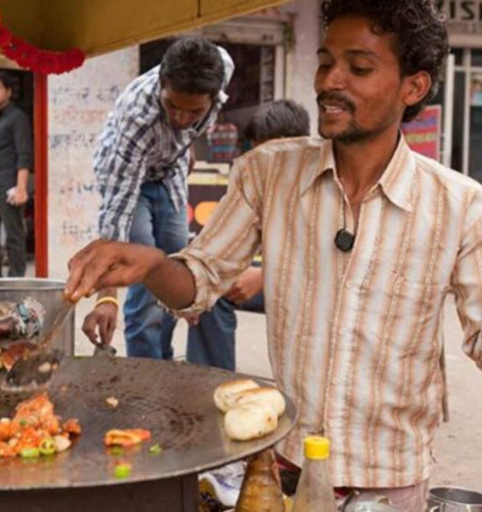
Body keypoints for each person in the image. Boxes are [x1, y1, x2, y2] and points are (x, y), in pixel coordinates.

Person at [68, 1, 471, 507]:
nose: (329, 81)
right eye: (325, 62)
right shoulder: (270, 173)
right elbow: (200, 281)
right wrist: (151, 264)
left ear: (414, 87)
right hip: (282, 470)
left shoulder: (459, 205)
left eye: (359, 67)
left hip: (390, 482)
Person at [81, 37, 235, 360]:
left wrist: (185, 145)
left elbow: (185, 123)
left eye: (194, 111)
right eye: (172, 106)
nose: (180, 118)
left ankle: (161, 361)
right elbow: (117, 216)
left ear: (214, 96)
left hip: (169, 173)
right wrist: (106, 298)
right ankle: (144, 373)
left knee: (176, 273)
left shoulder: (224, 65)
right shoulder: (138, 118)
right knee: (145, 282)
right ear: (161, 85)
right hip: (126, 181)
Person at [186, 99, 311, 371]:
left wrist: (266, 276)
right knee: (213, 294)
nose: (263, 163)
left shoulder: (321, 184)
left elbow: (328, 262)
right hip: (270, 274)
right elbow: (223, 244)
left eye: (273, 153)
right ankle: (212, 383)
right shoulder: (254, 183)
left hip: (310, 287)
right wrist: (202, 282)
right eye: (257, 152)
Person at [0, 71, 32, 278]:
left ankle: (16, 281)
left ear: (8, 92)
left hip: (7, 187)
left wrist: (21, 188)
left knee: (14, 237)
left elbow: (24, 154)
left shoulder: (17, 118)